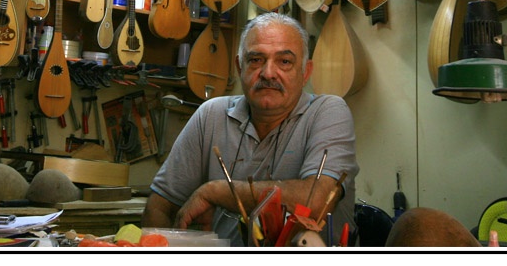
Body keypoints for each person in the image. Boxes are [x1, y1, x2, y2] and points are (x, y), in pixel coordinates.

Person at [142, 13, 359, 247]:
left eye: (284, 62)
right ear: (239, 67)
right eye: (256, 59)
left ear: (305, 72)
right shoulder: (211, 115)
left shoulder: (328, 111)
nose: (268, 73)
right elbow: (158, 206)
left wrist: (216, 191)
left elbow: (315, 201)